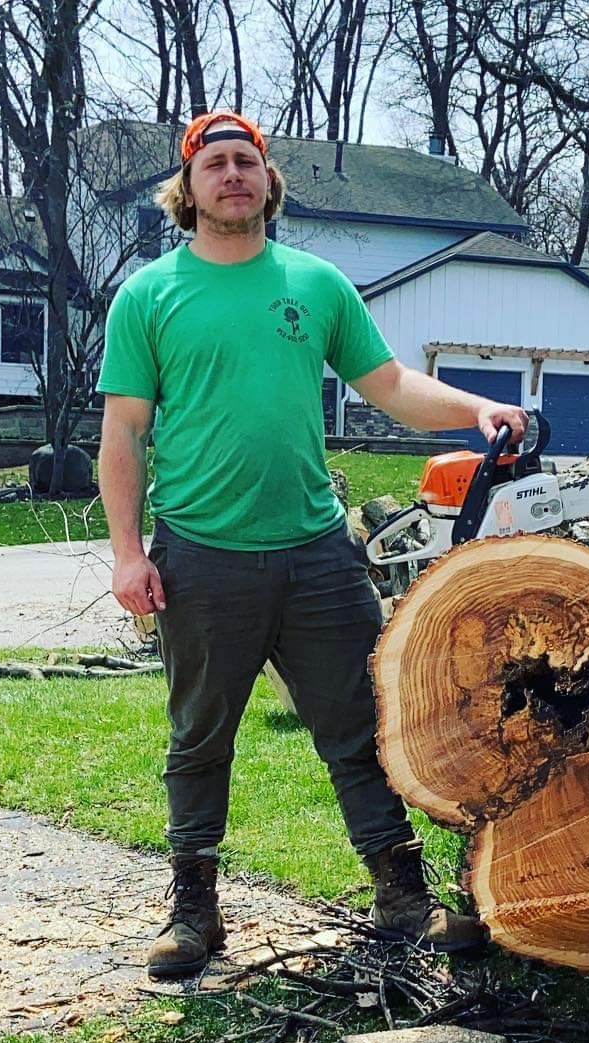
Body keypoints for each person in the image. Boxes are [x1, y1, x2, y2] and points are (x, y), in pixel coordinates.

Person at [96, 109, 529, 979]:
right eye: (215, 164)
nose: (232, 176)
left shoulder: (317, 283)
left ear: (268, 181)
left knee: (359, 726)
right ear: (188, 190)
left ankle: (402, 896)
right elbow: (122, 433)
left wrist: (477, 409)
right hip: (201, 556)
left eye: (246, 162)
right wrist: (128, 553)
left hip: (317, 555)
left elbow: (392, 385)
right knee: (198, 738)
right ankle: (193, 911)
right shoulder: (150, 295)